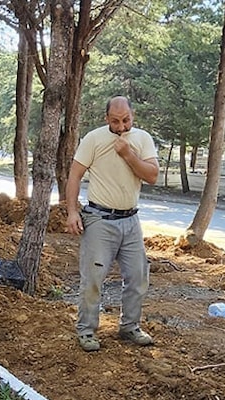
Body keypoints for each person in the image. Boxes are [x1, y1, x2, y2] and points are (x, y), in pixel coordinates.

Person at [65, 96, 160, 352]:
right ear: (106, 118)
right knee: (93, 277)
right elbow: (75, 174)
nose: (121, 127)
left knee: (138, 276)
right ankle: (86, 330)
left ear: (133, 115)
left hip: (131, 220)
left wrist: (128, 154)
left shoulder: (142, 139)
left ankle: (130, 326)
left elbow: (152, 175)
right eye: (115, 121)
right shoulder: (93, 139)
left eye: (126, 120)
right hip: (100, 219)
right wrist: (72, 211)